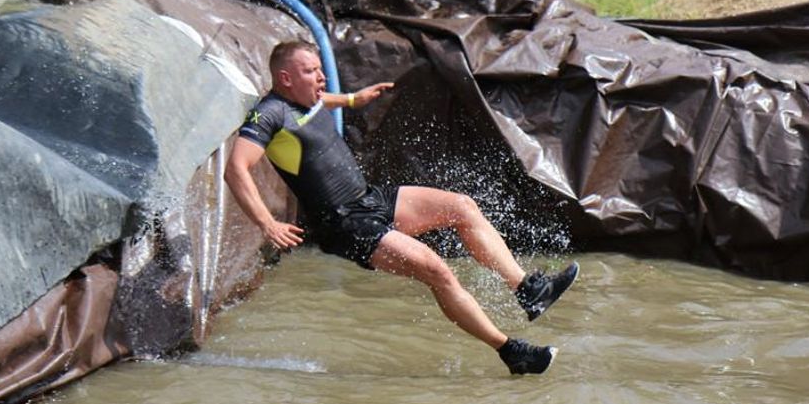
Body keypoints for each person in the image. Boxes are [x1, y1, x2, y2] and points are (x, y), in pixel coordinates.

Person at [224, 40, 578, 375]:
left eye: (321, 69)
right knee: (438, 271)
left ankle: (529, 291)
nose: (322, 77)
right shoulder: (269, 115)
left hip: (369, 198)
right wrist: (267, 223)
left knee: (462, 207)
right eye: (312, 72)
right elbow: (236, 167)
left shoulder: (306, 98)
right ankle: (511, 352)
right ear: (285, 78)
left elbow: (318, 101)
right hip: (347, 224)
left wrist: (350, 99)